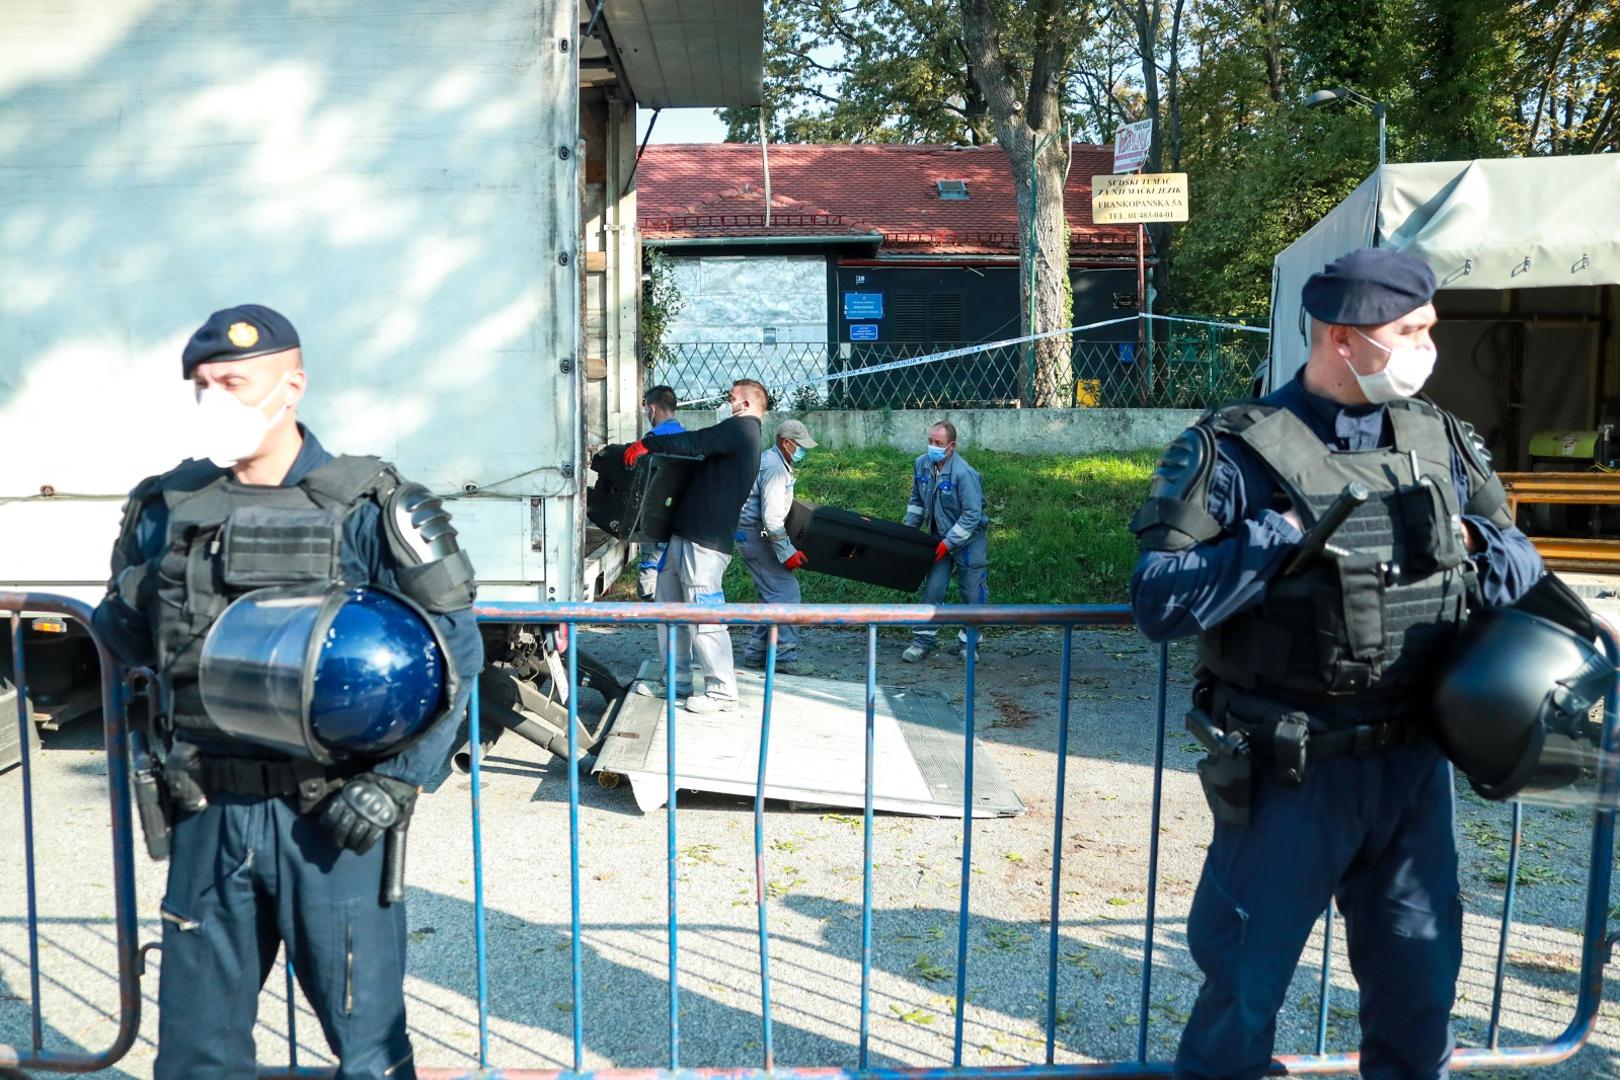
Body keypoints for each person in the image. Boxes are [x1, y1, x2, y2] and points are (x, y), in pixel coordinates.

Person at [1128, 249, 1544, 1080]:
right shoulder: (1233, 451)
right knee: (1242, 994)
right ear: (1344, 340)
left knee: (1419, 991)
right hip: (1291, 769)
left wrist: (1462, 543)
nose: (1428, 345)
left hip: (1415, 766)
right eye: (1410, 330)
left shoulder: (1441, 439)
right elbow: (1158, 601)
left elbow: (1521, 562)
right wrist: (1275, 542)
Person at [92, 304, 484, 1079]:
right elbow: (127, 637)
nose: (216, 399)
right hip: (208, 813)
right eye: (202, 386)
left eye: (235, 382)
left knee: (367, 1054)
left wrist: (398, 785)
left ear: (292, 385)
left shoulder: (375, 507)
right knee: (196, 1057)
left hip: (332, 819)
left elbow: (458, 659)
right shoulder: (165, 509)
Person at [622, 379, 767, 713]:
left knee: (704, 613)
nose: (725, 402)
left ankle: (721, 690)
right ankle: (676, 680)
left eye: (730, 398)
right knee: (668, 607)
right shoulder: (737, 433)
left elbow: (697, 441)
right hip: (685, 535)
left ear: (745, 403)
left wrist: (651, 445)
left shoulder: (743, 429)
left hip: (705, 541)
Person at [736, 418, 818, 675]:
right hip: (756, 535)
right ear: (786, 443)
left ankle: (756, 653)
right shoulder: (774, 468)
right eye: (799, 445)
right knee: (787, 595)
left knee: (770, 596)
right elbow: (771, 519)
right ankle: (784, 656)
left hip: (748, 535)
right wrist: (788, 553)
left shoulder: (773, 460)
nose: (802, 450)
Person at [901, 421, 988, 662]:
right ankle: (922, 642)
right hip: (938, 538)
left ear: (951, 446)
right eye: (930, 441)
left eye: (938, 443)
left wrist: (948, 543)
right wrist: (908, 533)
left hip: (968, 540)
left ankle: (969, 643)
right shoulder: (922, 464)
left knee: (972, 591)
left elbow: (972, 514)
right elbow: (916, 500)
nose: (932, 447)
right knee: (933, 589)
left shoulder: (964, 473)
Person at [635, 384, 686, 601]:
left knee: (651, 563)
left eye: (646, 409)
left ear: (652, 409)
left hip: (654, 515)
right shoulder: (686, 436)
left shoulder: (652, 439)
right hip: (681, 515)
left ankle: (651, 609)